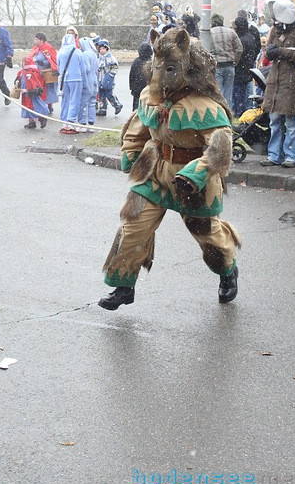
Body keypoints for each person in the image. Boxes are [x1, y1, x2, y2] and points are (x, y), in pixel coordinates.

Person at [98, 28, 240, 310]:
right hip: (155, 170)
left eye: (169, 68)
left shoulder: (206, 107)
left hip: (192, 180)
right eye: (158, 67)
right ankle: (124, 286)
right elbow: (138, 130)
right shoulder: (150, 96)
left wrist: (195, 174)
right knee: (133, 225)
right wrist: (130, 154)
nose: (159, 76)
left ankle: (228, 271)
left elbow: (219, 149)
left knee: (208, 236)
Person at [260, 1, 295, 168]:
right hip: (276, 80)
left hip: (291, 81)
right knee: (274, 120)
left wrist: (280, 51)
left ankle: (292, 156)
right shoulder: (275, 30)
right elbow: (269, 51)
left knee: (292, 121)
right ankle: (274, 155)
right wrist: (271, 52)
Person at [208, 12, 244, 102]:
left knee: (218, 92)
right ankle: (228, 113)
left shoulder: (209, 33)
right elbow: (239, 49)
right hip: (229, 65)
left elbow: (206, 50)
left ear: (212, 22)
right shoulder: (231, 32)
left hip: (217, 66)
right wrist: (235, 61)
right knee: (228, 92)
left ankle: (220, 111)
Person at [56, 33, 86, 134]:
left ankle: (64, 122)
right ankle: (71, 122)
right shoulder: (78, 52)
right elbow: (83, 69)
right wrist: (85, 82)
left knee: (65, 101)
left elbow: (59, 67)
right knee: (74, 100)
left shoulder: (60, 52)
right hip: (76, 79)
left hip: (65, 80)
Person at [232, 12, 261, 114]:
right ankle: (247, 109)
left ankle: (239, 111)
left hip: (240, 67)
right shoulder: (250, 36)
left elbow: (238, 53)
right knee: (247, 89)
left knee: (238, 91)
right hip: (248, 65)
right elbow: (258, 48)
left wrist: (235, 62)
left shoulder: (240, 39)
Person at [14, 55, 48, 129]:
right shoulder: (21, 72)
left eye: (22, 62)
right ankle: (31, 121)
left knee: (35, 107)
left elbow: (34, 84)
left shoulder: (30, 73)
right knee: (27, 108)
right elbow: (18, 79)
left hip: (31, 95)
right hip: (25, 95)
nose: (21, 63)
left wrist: (28, 91)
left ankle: (41, 117)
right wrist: (17, 82)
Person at [29, 32, 59, 112]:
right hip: (37, 73)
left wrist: (44, 63)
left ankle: (49, 105)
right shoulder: (36, 48)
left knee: (48, 90)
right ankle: (39, 105)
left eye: (36, 39)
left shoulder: (48, 48)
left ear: (41, 40)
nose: (35, 41)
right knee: (38, 89)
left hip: (46, 73)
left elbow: (53, 60)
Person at [95, 39, 123, 116]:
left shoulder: (111, 58)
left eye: (103, 48)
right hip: (101, 79)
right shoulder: (99, 58)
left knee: (109, 94)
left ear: (107, 49)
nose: (102, 50)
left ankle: (117, 105)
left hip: (108, 80)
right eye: (100, 49)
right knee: (101, 95)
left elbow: (115, 68)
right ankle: (102, 109)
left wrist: (110, 76)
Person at [129, 41, 153, 112]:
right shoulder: (151, 61)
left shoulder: (136, 61)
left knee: (136, 105)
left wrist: (131, 87)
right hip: (148, 88)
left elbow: (131, 75)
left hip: (137, 88)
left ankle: (135, 115)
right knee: (147, 105)